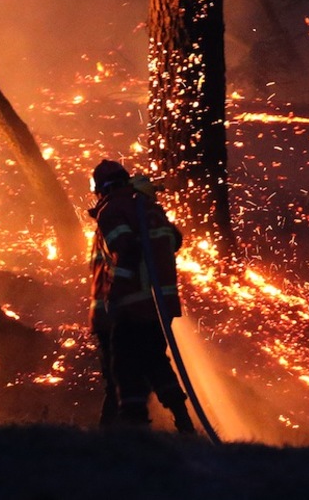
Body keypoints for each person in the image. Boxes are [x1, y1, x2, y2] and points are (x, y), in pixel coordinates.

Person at [88, 159, 195, 433]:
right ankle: (183, 421)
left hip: (130, 306)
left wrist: (116, 295)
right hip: (157, 306)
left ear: (102, 188)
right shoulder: (148, 207)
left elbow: (127, 251)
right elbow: (174, 240)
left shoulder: (112, 211)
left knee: (123, 369)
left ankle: (131, 426)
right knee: (155, 362)